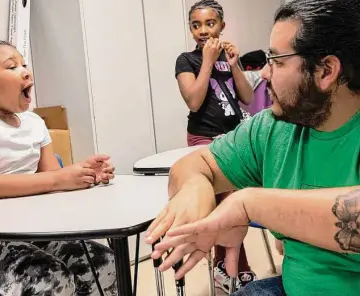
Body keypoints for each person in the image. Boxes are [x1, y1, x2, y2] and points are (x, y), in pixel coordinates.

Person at [146, 0, 360, 295]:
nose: (265, 74)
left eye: (277, 61)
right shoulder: (274, 127)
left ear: (326, 71)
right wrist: (197, 188)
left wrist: (248, 205)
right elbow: (194, 165)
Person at [0, 40, 117, 296]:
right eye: (12, 67)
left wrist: (84, 174)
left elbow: (51, 183)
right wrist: (61, 178)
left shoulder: (34, 122)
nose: (25, 71)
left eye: (24, 64)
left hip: (29, 230)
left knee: (105, 264)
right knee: (48, 279)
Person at [174, 0, 255, 292]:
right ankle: (233, 269)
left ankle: (226, 267)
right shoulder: (187, 60)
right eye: (196, 25)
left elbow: (246, 97)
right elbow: (193, 101)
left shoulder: (231, 57)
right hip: (204, 138)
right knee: (225, 202)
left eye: (210, 23)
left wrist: (234, 66)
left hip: (234, 138)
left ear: (222, 25)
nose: (203, 31)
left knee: (234, 203)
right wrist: (207, 61)